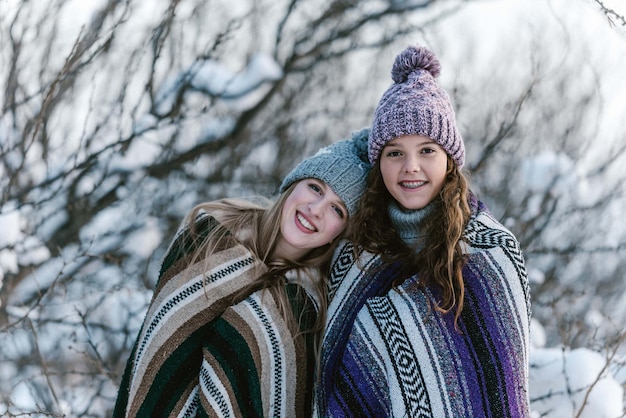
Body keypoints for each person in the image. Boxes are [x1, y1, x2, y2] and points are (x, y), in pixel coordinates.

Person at [315, 45, 531, 417]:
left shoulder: (492, 254)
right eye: (394, 153)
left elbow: (501, 391)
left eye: (427, 150)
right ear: (378, 163)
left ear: (449, 160)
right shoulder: (354, 253)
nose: (410, 167)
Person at [113, 131, 371, 418]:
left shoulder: (304, 311)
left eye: (337, 209)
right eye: (315, 188)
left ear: (341, 234)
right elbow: (156, 355)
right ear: (293, 184)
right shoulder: (208, 239)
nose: (316, 210)